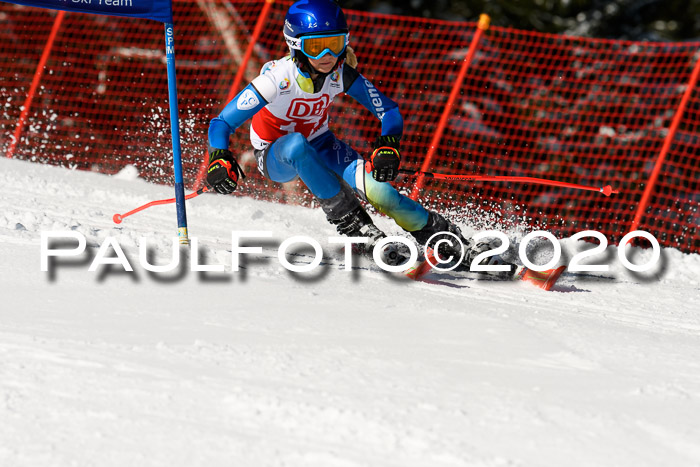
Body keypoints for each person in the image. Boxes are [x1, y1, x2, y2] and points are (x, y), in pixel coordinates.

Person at [206, 0, 507, 270]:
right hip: (275, 155)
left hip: (322, 143)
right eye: (315, 47)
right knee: (297, 145)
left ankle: (451, 243)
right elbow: (222, 122)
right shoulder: (276, 80)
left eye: (335, 44)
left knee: (383, 194)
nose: (326, 56)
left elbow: (389, 112)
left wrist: (388, 145)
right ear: (295, 45)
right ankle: (358, 228)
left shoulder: (341, 74)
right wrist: (220, 157)